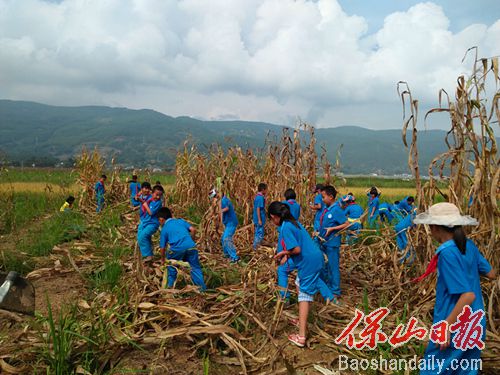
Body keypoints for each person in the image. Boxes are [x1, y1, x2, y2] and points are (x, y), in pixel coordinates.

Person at [413, 202, 495, 375]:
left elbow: (467, 295)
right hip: (475, 323)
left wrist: (446, 327)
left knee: (433, 370)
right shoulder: (469, 246)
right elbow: (491, 274)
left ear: (434, 227)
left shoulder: (447, 253)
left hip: (456, 324)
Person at [269, 201, 334, 347]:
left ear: (274, 217)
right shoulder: (294, 222)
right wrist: (287, 254)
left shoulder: (286, 227)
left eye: (271, 219)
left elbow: (296, 249)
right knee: (299, 283)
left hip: (308, 261)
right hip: (314, 257)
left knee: (304, 295)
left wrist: (283, 253)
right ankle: (302, 318)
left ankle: (301, 336)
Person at [157, 207, 206, 291]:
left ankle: (169, 290)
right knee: (195, 268)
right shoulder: (180, 221)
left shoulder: (164, 229)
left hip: (177, 249)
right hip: (191, 246)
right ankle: (202, 290)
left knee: (171, 268)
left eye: (158, 220)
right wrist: (191, 241)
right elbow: (193, 229)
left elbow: (162, 247)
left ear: (161, 219)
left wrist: (162, 260)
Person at [318, 185, 349, 298]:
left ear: (331, 197)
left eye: (323, 196)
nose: (322, 199)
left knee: (333, 267)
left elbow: (346, 224)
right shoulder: (327, 209)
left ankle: (335, 291)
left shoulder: (336, 210)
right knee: (325, 266)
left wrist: (332, 229)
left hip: (332, 243)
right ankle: (327, 287)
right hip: (324, 243)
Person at [210, 189, 239, 263]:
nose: (215, 199)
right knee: (223, 238)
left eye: (215, 196)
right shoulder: (221, 201)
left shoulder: (224, 200)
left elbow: (226, 208)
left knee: (226, 238)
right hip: (228, 223)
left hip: (231, 223)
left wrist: (217, 212)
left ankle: (235, 258)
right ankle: (227, 255)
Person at [137, 184, 164, 263]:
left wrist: (144, 204)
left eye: (160, 195)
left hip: (152, 223)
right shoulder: (149, 198)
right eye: (156, 195)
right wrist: (138, 197)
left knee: (143, 236)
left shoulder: (158, 203)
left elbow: (151, 213)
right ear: (152, 193)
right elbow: (141, 195)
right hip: (144, 221)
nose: (158, 197)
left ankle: (148, 256)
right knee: (140, 237)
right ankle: (148, 253)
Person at [253, 183, 267, 250]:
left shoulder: (257, 196)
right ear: (263, 189)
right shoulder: (260, 198)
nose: (267, 191)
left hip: (257, 218)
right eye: (266, 189)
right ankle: (256, 248)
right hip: (259, 218)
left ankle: (256, 247)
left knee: (257, 232)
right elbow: (258, 208)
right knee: (259, 233)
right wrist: (259, 219)